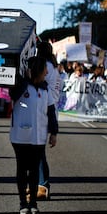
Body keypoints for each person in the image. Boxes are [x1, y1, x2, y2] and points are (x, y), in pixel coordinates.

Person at [9, 56, 58, 214]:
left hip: (39, 137)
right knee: (22, 170)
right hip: (20, 136)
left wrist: (54, 133)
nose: (47, 72)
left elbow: (51, 111)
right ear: (37, 69)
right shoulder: (21, 86)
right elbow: (12, 93)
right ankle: (23, 203)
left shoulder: (44, 89)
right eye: (44, 68)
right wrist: (24, 78)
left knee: (35, 171)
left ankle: (33, 203)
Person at [36, 41, 61, 200]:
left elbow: (39, 82)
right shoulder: (53, 66)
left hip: (45, 109)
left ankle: (43, 185)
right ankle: (40, 184)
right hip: (48, 108)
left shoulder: (45, 66)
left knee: (37, 152)